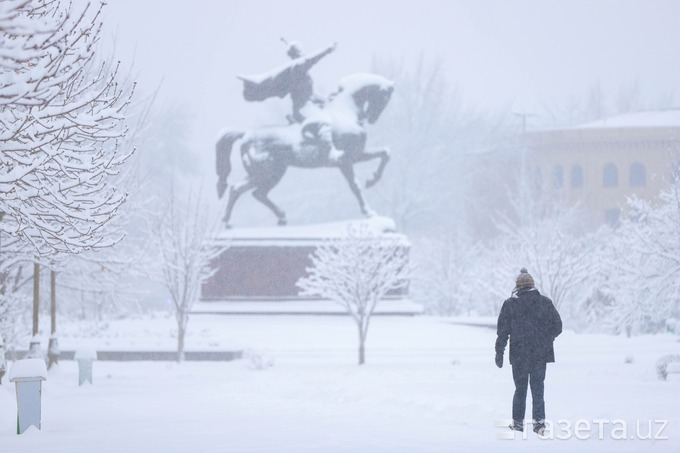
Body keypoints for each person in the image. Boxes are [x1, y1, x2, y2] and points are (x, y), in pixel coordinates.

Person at [495, 268, 562, 436]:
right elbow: (558, 326)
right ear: (533, 285)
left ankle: (518, 424)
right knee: (538, 389)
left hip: (519, 355)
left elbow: (503, 331)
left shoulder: (510, 304)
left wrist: (499, 352)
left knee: (520, 389)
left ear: (517, 287)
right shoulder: (545, 302)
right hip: (540, 354)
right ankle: (539, 424)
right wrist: (546, 339)